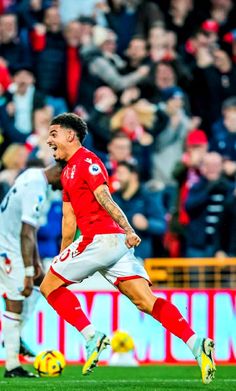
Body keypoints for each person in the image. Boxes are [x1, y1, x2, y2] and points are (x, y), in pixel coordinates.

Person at [40, 113, 216, 384]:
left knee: (47, 287)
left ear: (70, 135)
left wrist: (129, 229)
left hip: (100, 239)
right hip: (112, 245)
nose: (49, 140)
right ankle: (196, 343)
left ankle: (92, 336)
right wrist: (64, 258)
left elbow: (104, 197)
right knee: (145, 301)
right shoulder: (67, 171)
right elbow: (68, 221)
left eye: (54, 134)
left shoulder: (88, 161)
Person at [0, 164, 62, 378]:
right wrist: (27, 271)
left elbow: (29, 231)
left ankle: (14, 337)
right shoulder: (36, 186)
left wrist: (35, 265)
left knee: (40, 282)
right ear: (61, 172)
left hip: (13, 243)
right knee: (15, 300)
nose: (66, 187)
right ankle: (11, 365)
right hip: (7, 248)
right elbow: (26, 232)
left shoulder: (33, 174)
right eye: (67, 181)